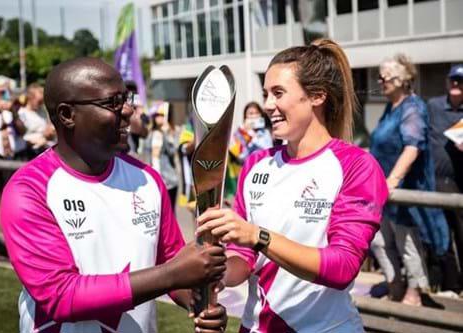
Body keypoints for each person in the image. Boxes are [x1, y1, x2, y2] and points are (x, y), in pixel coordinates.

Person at [0, 58, 227, 333]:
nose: (129, 110)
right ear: (67, 114)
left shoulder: (147, 180)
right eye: (112, 102)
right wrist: (174, 274)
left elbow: (171, 261)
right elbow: (60, 295)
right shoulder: (28, 190)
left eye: (126, 98)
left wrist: (197, 299)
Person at [196, 39, 388, 332]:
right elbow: (244, 257)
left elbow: (343, 267)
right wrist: (217, 274)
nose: (268, 105)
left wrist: (257, 235)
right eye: (265, 94)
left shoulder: (356, 165)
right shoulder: (256, 163)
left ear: (317, 96)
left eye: (278, 93)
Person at [369, 54, 448, 306]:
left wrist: (392, 180)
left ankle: (414, 292)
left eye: (385, 77)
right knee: (381, 242)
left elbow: (412, 147)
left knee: (407, 244)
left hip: (404, 191)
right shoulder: (390, 106)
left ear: (402, 80)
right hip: (382, 191)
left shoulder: (413, 107)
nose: (380, 82)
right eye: (379, 77)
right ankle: (395, 284)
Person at [427, 64, 463, 295]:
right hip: (434, 181)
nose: (456, 85)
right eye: (453, 80)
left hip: (459, 183)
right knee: (440, 236)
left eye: (460, 81)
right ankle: (450, 284)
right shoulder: (433, 106)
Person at [143, 103, 179, 213]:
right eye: (157, 115)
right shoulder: (150, 134)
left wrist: (167, 134)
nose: (160, 117)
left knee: (169, 213)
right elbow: (148, 156)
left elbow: (173, 152)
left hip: (169, 180)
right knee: (157, 212)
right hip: (155, 179)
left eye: (162, 115)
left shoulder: (170, 132)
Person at [18, 83, 56, 158]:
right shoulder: (22, 113)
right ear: (30, 98)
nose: (41, 104)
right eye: (39, 101)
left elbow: (49, 131)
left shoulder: (43, 112)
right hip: (30, 151)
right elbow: (21, 136)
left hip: (46, 148)